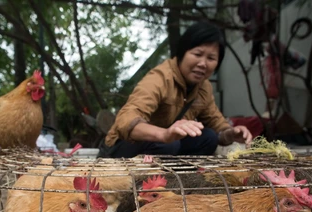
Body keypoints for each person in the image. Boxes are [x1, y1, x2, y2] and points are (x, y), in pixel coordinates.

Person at [98, 21, 252, 158]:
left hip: (164, 146)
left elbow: (215, 121)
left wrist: (231, 133)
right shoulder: (160, 78)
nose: (203, 63)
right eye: (197, 54)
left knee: (209, 138)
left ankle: (180, 179)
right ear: (182, 53)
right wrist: (164, 134)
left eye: (211, 58)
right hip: (119, 149)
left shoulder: (203, 87)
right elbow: (126, 120)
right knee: (169, 144)